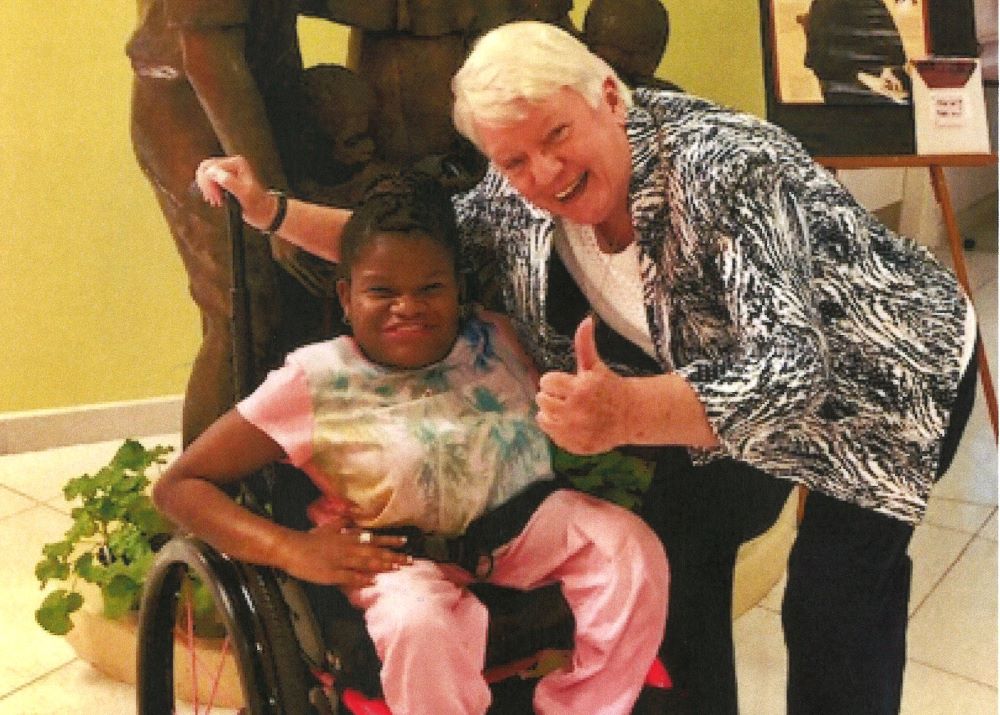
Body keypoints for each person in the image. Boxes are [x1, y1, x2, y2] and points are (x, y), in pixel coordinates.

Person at [195, 20, 979, 714]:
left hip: (882, 375)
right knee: (678, 548)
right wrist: (271, 211)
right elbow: (412, 247)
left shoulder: (728, 168)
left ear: (607, 94)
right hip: (719, 380)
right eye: (513, 159)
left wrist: (629, 412)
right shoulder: (522, 193)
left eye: (557, 136)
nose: (542, 173)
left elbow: (787, 369)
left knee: (833, 598)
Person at [156, 171, 669, 715]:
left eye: (430, 288)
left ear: (457, 289)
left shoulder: (495, 337)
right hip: (398, 555)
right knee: (417, 624)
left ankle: (584, 708)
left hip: (522, 524)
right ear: (347, 297)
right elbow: (180, 487)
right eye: (382, 290)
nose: (409, 305)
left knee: (627, 548)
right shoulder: (315, 380)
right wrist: (291, 549)